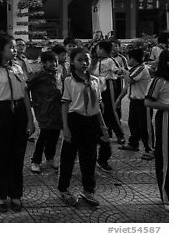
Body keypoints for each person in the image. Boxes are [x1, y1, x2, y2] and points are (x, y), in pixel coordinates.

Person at [0, 33, 35, 213]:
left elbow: (25, 94)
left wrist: (30, 118)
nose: (14, 51)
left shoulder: (19, 68)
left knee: (17, 155)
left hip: (19, 112)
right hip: (1, 113)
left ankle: (15, 194)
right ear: (0, 49)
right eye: (11, 48)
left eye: (15, 47)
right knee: (0, 157)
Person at [57, 47, 110, 207]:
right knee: (68, 157)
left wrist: (103, 126)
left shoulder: (95, 80)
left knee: (90, 157)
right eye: (80, 60)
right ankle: (64, 189)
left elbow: (97, 106)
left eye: (86, 59)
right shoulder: (68, 81)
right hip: (75, 120)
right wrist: (65, 127)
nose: (84, 63)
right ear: (72, 62)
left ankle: (88, 190)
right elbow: (65, 105)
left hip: (91, 122)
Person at [27, 51, 63, 174]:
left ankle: (50, 158)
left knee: (54, 135)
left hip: (57, 110)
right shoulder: (39, 75)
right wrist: (33, 103)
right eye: (52, 61)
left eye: (56, 61)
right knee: (43, 136)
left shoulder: (58, 74)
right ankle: (35, 161)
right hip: (44, 111)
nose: (55, 64)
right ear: (44, 63)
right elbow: (26, 88)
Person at [115, 48, 152, 154]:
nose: (127, 60)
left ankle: (149, 148)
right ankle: (133, 143)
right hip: (134, 101)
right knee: (133, 123)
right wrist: (119, 99)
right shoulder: (134, 69)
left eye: (128, 58)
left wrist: (123, 72)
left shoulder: (140, 68)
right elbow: (127, 86)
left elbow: (129, 80)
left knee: (144, 125)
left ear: (133, 59)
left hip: (143, 102)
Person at [145, 50, 169, 210]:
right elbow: (148, 102)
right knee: (166, 157)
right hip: (166, 120)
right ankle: (167, 195)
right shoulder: (159, 81)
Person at [93, 41, 125, 146]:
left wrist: (120, 72)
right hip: (98, 86)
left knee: (111, 110)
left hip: (108, 85)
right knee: (101, 110)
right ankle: (103, 133)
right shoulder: (96, 61)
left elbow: (117, 70)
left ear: (102, 49)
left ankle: (120, 134)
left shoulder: (110, 60)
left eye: (98, 48)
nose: (96, 50)